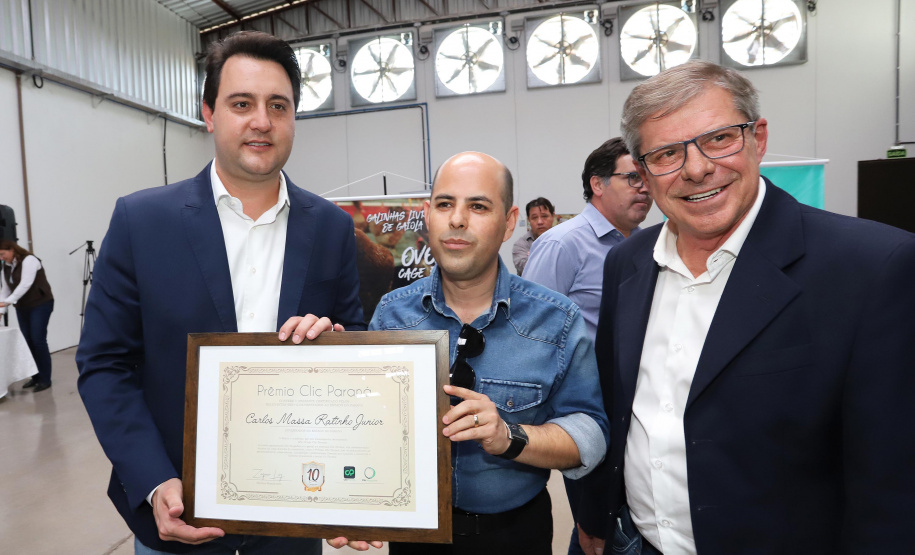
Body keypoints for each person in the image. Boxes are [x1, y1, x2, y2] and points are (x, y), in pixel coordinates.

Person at [577, 60, 915, 555]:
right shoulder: (628, 262)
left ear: (758, 137)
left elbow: (892, 485)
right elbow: (614, 406)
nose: (697, 169)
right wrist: (594, 517)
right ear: (644, 173)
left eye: (718, 139)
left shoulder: (870, 268)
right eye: (667, 153)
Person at [76, 31, 364, 555]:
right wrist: (153, 480)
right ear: (209, 112)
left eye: (279, 105)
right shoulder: (142, 222)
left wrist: (336, 341)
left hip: (294, 520)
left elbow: (356, 342)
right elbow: (104, 365)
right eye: (241, 104)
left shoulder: (330, 228)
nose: (261, 121)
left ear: (295, 116)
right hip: (178, 518)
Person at [329, 152, 609, 554]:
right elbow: (364, 425)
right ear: (428, 215)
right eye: (445, 204)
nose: (457, 219)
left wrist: (508, 436)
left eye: (478, 206)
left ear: (510, 222)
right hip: (417, 534)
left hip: (516, 534)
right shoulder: (391, 314)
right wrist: (324, 370)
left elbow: (591, 433)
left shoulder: (556, 320)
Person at [523, 138, 652, 555]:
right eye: (633, 177)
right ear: (598, 184)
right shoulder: (563, 245)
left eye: (646, 177)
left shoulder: (644, 245)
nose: (645, 187)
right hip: (588, 415)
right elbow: (533, 335)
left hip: (637, 409)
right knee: (595, 531)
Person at [0, 239, 54, 392]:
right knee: (28, 341)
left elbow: (26, 284)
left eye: (3, 254)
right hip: (23, 307)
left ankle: (45, 379)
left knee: (38, 340)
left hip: (40, 304)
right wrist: (1, 310)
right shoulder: (6, 267)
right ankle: (35, 377)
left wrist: (7, 302)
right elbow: (5, 290)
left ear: (12, 249)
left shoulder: (30, 260)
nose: (1, 258)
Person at [512, 197, 555, 274]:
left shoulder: (564, 240)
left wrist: (533, 257)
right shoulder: (521, 244)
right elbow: (525, 269)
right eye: (534, 218)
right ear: (529, 220)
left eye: (544, 216)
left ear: (553, 216)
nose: (540, 222)